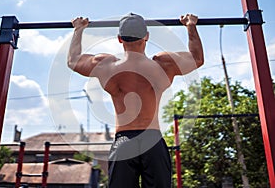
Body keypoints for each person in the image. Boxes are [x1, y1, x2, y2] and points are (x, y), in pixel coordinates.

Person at [68, 13, 204, 188]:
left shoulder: (106, 65)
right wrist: (190, 26)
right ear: (146, 36)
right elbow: (197, 58)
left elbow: (73, 61)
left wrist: (79, 30)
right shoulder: (163, 65)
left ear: (119, 39)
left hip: (124, 141)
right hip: (152, 140)